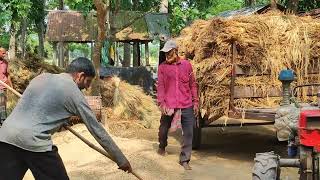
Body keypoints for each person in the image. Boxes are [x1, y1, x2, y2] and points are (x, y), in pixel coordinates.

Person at [0, 57, 132, 179]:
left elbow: (39, 108)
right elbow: (97, 130)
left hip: (5, 136)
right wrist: (121, 159)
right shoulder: (74, 93)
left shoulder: (41, 78)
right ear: (80, 76)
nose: (87, 87)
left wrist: (59, 120)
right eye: (88, 81)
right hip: (33, 141)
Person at [157, 40, 199, 170]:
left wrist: (196, 101)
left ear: (175, 51)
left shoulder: (187, 65)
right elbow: (161, 87)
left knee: (188, 133)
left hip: (186, 103)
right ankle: (162, 145)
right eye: (165, 53)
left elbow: (192, 84)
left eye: (169, 53)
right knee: (163, 129)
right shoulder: (162, 67)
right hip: (169, 103)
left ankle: (185, 159)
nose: (167, 56)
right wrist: (161, 102)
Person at [0, 47, 13, 125]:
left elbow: (8, 75)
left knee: (3, 103)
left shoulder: (5, 63)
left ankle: (3, 120)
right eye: (3, 53)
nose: (4, 55)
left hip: (4, 86)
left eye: (5, 53)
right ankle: (3, 119)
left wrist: (11, 86)